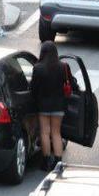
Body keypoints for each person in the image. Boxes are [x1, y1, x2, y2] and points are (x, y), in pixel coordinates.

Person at [30, 41, 67, 171]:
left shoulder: (38, 68)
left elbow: (33, 88)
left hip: (43, 106)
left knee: (45, 133)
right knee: (56, 133)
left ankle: (46, 161)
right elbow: (71, 85)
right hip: (59, 106)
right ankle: (58, 162)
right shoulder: (63, 67)